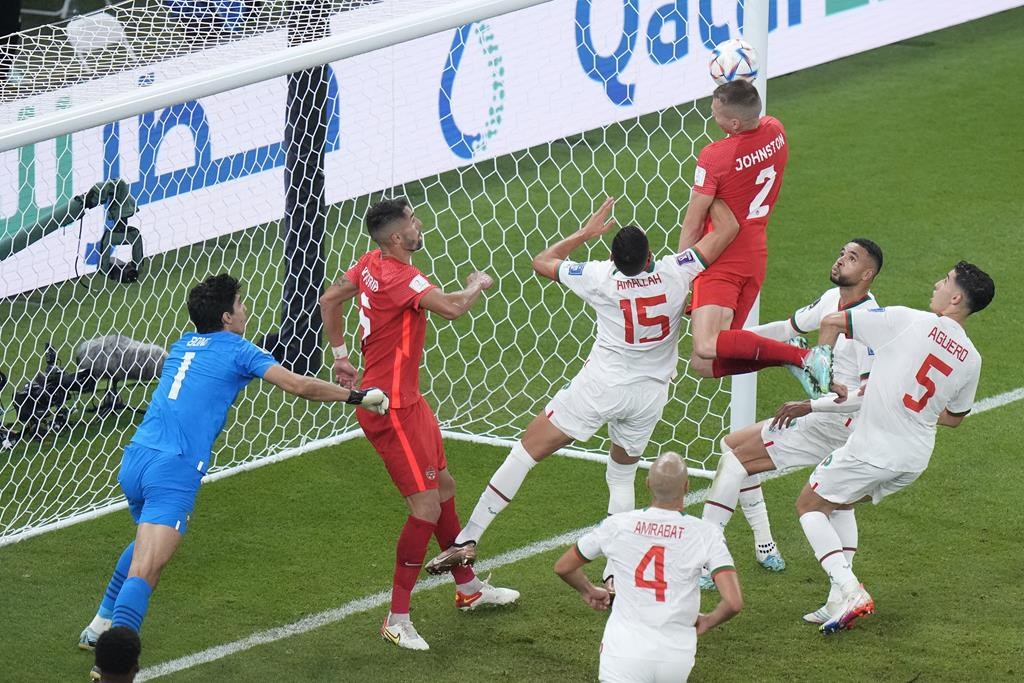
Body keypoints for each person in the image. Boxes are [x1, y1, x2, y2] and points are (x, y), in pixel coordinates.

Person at [424, 196, 739, 590]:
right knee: (621, 475)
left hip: (600, 388)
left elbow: (542, 261)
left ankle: (468, 538)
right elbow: (728, 229)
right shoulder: (678, 270)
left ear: (613, 258)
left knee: (526, 451)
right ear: (649, 256)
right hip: (649, 396)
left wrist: (585, 233)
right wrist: (713, 189)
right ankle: (615, 575)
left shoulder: (600, 277)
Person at [78, 274, 388, 652]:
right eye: (240, 304)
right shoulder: (240, 350)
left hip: (136, 459)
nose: (245, 310)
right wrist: (358, 397)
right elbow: (299, 385)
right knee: (147, 569)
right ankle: (111, 665)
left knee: (145, 542)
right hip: (173, 469)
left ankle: (99, 625)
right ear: (226, 317)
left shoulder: (183, 344)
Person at [320, 198, 519, 651]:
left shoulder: (370, 263)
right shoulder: (399, 276)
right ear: (397, 237)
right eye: (412, 220)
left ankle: (468, 588)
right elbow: (451, 308)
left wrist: (340, 356)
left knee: (444, 487)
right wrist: (476, 284)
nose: (419, 224)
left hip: (408, 402)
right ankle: (396, 618)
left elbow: (330, 299)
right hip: (389, 409)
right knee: (425, 508)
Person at [797, 261, 993, 635]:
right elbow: (954, 418)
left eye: (945, 280)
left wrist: (820, 372)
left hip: (874, 448)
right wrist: (912, 410)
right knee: (840, 504)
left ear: (955, 298)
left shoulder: (908, 320)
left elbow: (834, 321)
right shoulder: (972, 358)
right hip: (913, 459)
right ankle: (836, 600)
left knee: (810, 505)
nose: (936, 283)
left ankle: (851, 590)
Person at [700, 239, 883, 594]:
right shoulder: (831, 301)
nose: (840, 260)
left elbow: (865, 396)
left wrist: (811, 406)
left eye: (852, 258)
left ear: (867, 274)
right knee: (837, 502)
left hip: (838, 424)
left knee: (736, 457)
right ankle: (833, 586)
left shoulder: (869, 324)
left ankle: (706, 561)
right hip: (835, 423)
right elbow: (786, 330)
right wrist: (728, 340)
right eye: (841, 253)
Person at [677, 80, 831, 396]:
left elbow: (693, 224)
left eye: (716, 113)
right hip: (754, 257)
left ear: (734, 123)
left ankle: (803, 357)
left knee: (706, 346)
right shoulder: (776, 130)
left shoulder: (714, 156)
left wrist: (680, 275)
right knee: (704, 363)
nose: (712, 116)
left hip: (721, 260)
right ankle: (787, 353)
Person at [554, 451, 742, 683]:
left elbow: (563, 567)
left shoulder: (618, 525)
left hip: (623, 651)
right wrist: (709, 621)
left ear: (647, 484)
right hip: (675, 655)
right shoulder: (706, 533)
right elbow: (733, 602)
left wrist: (588, 590)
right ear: (686, 486)